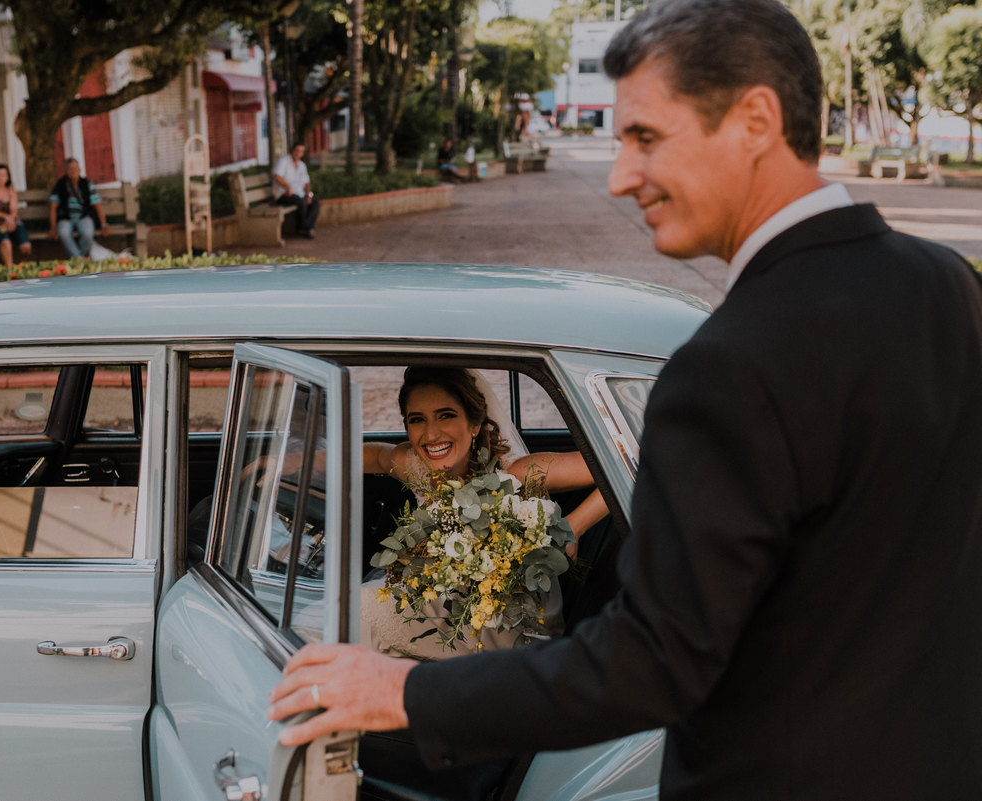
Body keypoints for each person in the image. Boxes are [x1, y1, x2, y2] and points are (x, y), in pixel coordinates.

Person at [267, 1, 982, 799]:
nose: (618, 177)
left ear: (755, 119)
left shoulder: (727, 367)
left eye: (644, 137)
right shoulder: (950, 288)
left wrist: (401, 690)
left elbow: (653, 661)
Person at [360, 367, 609, 657]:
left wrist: (573, 527)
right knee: (350, 609)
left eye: (446, 415)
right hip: (442, 607)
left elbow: (632, 463)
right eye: (417, 420)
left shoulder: (518, 473)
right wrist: (300, 457)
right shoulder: (414, 465)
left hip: (508, 625)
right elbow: (376, 456)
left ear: (475, 423)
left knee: (359, 611)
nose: (431, 434)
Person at [49, 157, 110, 258]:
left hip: (83, 217)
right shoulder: (60, 185)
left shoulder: (86, 184)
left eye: (75, 168)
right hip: (65, 218)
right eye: (70, 169)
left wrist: (104, 224)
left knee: (87, 233)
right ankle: (79, 259)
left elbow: (97, 205)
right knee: (63, 233)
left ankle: (78, 259)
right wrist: (53, 228)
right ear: (66, 171)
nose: (73, 171)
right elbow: (53, 208)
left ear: (80, 170)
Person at [0, 163, 31, 268]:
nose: (1, 177)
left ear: (7, 177)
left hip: (12, 222)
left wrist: (10, 220)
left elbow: (14, 210)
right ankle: (10, 270)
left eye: (4, 175)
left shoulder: (11, 191)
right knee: (5, 242)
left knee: (26, 246)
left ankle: (21, 268)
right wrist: (6, 217)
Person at [273, 143, 320, 239]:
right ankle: (304, 228)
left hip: (298, 194)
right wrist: (287, 187)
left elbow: (307, 183)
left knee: (315, 202)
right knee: (301, 201)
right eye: (297, 151)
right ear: (292, 150)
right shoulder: (283, 161)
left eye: (301, 151)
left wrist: (309, 194)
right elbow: (277, 176)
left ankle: (306, 227)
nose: (299, 153)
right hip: (283, 194)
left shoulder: (302, 165)